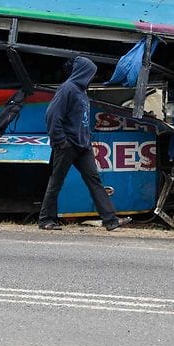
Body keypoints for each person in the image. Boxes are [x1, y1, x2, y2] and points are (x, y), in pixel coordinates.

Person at [38, 56, 131, 231]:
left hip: (82, 146)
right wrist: (60, 141)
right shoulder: (67, 89)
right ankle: (45, 220)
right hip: (67, 145)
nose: (91, 78)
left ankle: (110, 220)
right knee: (56, 182)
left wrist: (86, 140)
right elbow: (52, 115)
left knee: (94, 180)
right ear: (82, 73)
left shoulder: (81, 92)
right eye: (90, 74)